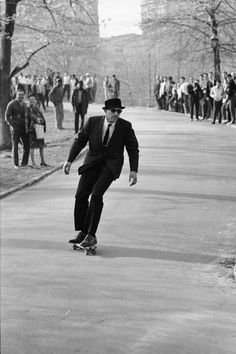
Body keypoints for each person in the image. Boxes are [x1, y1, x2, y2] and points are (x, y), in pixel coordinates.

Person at [63, 98, 139, 248]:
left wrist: (133, 170)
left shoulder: (125, 126)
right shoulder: (92, 122)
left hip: (111, 165)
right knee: (81, 195)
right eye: (113, 111)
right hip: (92, 162)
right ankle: (83, 233)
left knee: (97, 195)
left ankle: (91, 235)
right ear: (105, 111)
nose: (116, 114)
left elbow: (132, 149)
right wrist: (69, 160)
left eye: (119, 111)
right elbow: (80, 141)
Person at [5, 89, 30, 169]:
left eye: (22, 95)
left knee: (26, 146)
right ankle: (16, 164)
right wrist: (13, 124)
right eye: (19, 94)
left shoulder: (25, 104)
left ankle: (24, 163)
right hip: (16, 128)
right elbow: (7, 117)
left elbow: (27, 115)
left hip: (24, 128)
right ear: (16, 95)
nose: (21, 96)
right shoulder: (11, 104)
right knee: (15, 146)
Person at [27, 94, 48, 168]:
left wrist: (43, 123)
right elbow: (31, 116)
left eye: (33, 99)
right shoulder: (28, 109)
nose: (32, 101)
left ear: (36, 101)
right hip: (32, 130)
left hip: (39, 129)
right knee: (32, 146)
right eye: (30, 100)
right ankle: (33, 163)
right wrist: (37, 119)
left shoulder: (38, 109)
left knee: (41, 146)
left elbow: (42, 117)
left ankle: (42, 161)